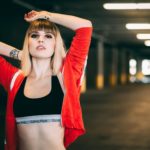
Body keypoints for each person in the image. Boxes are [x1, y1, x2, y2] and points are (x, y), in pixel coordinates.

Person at [0, 10, 92, 150]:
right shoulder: (14, 79)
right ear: (28, 42)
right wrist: (21, 54)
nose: (41, 40)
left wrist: (45, 15)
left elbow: (85, 27)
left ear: (56, 44)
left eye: (48, 36)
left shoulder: (67, 74)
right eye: (34, 35)